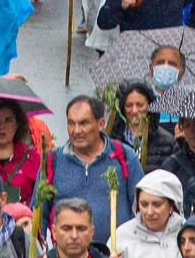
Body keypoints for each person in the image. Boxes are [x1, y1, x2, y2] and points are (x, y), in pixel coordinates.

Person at [44, 95, 143, 242]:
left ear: (100, 123)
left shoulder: (124, 156)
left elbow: (142, 209)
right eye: (71, 123)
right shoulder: (52, 161)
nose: (76, 131)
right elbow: (38, 214)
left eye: (84, 123)